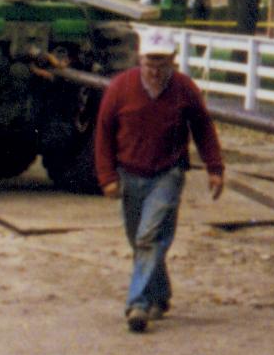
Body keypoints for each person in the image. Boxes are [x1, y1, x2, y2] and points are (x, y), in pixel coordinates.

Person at [93, 33, 226, 333]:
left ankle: (137, 304)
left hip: (168, 172)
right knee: (138, 240)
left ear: (172, 61)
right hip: (130, 172)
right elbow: (103, 134)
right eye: (150, 61)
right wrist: (107, 177)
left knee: (148, 238)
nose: (155, 69)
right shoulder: (119, 89)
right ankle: (161, 295)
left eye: (162, 62)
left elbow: (203, 127)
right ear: (140, 60)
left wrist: (214, 167)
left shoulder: (184, 89)